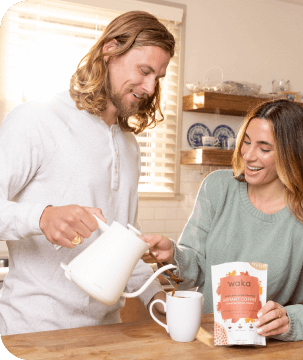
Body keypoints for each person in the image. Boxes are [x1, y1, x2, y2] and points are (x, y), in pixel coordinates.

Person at [0, 11, 175, 335]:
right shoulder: (37, 118)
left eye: (158, 77)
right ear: (110, 50)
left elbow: (123, 242)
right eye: (144, 70)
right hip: (30, 334)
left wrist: (158, 299)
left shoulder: (129, 145)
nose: (151, 87)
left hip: (106, 335)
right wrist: (42, 217)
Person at [142, 99, 303, 341]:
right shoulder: (217, 188)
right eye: (246, 142)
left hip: (268, 352)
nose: (249, 155)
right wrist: (172, 254)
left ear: (291, 155)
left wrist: (291, 319)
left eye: (264, 148)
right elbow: (194, 270)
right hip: (206, 345)